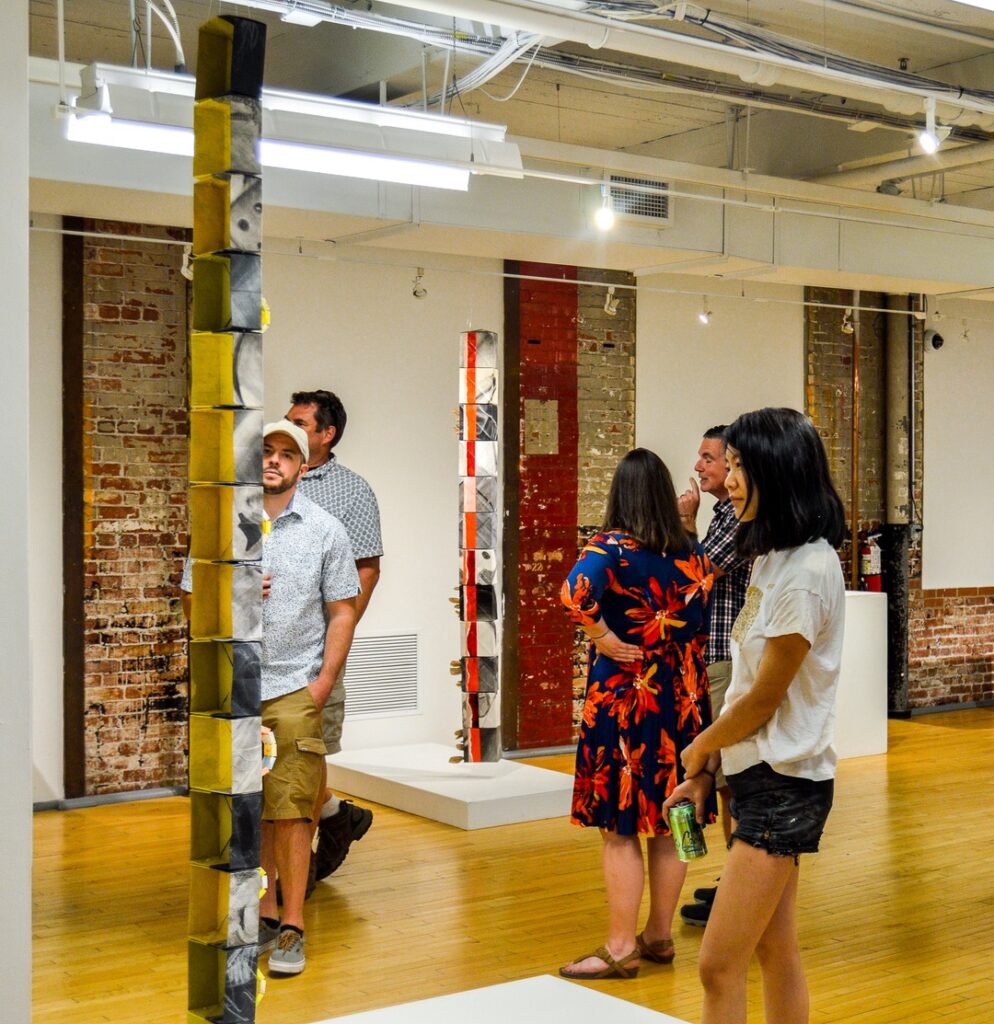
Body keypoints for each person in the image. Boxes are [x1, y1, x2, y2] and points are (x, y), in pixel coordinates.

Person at [663, 407, 846, 1024]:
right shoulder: (773, 557)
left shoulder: (806, 572)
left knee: (718, 966)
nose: (730, 479)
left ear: (779, 471)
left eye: (740, 466)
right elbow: (747, 685)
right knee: (773, 948)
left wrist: (698, 751)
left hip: (783, 784)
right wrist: (710, 767)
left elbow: (765, 697)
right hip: (760, 774)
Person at [182, 420, 360, 976]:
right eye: (266, 450)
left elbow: (343, 611)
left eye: (287, 453)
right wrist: (228, 590)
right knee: (247, 809)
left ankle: (292, 924)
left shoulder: (326, 530)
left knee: (292, 812)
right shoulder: (222, 526)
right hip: (233, 688)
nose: (274, 460)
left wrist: (322, 682)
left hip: (292, 689)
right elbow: (190, 604)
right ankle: (258, 913)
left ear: (303, 467)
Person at [558, 448, 715, 981]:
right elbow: (698, 610)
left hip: (628, 694)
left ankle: (622, 945)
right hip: (684, 697)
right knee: (676, 816)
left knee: (620, 825)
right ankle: (660, 935)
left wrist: (603, 636)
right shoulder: (690, 551)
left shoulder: (610, 546)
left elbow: (573, 594)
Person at [286, 389, 383, 879]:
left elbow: (367, 569)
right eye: (287, 420)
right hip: (268, 643)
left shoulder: (351, 491)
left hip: (315, 646)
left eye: (300, 424)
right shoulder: (265, 479)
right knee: (280, 750)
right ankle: (335, 814)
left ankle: (294, 872)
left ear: (328, 434)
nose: (289, 429)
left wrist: (336, 636)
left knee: (308, 747)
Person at [676, 425, 752, 926]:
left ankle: (739, 889)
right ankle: (734, 881)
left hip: (727, 654)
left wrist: (686, 523)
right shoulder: (725, 512)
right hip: (717, 654)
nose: (699, 466)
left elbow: (699, 569)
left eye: (709, 458)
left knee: (730, 777)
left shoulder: (737, 517)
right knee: (724, 778)